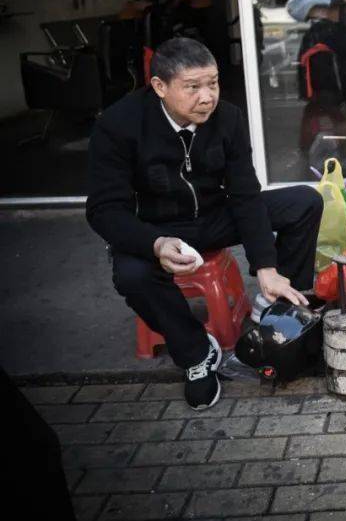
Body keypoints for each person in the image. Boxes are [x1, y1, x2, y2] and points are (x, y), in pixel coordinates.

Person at [86, 37, 323, 410]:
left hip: (214, 217)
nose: (207, 97)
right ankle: (196, 353)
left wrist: (266, 265)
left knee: (304, 202)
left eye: (213, 83)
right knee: (131, 275)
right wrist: (155, 244)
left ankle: (276, 307)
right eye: (193, 87)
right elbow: (104, 209)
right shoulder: (118, 125)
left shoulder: (228, 118)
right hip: (159, 230)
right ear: (160, 86)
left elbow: (245, 194)